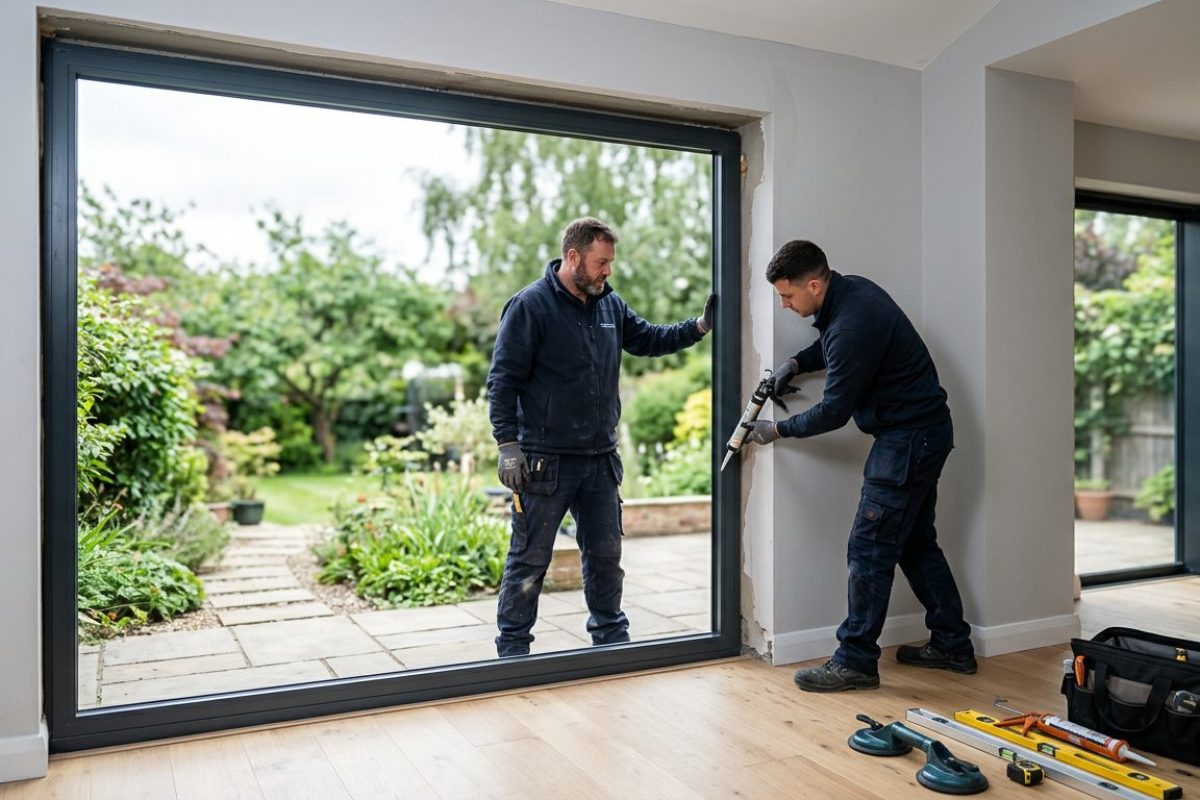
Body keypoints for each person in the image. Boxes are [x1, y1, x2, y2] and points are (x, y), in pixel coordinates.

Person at [741, 239, 975, 692]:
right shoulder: (852, 292)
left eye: (788, 296)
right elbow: (832, 348)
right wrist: (796, 362)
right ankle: (952, 643)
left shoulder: (852, 324)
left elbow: (833, 412)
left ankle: (856, 661)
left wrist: (778, 431)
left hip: (907, 441)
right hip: (924, 434)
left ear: (814, 284)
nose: (786, 306)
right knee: (915, 544)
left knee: (869, 549)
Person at [487, 217, 715, 657]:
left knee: (606, 557)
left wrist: (699, 327)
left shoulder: (609, 305)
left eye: (609, 262)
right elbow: (503, 380)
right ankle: (512, 650)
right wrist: (507, 445)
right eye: (600, 262)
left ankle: (611, 641)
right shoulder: (530, 306)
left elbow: (649, 339)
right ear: (573, 257)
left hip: (599, 459)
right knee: (530, 559)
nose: (607, 271)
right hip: (543, 461)